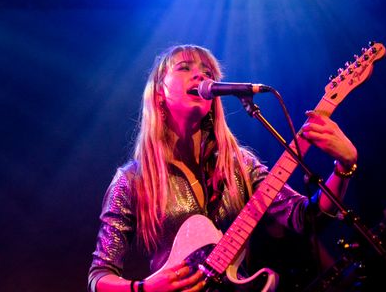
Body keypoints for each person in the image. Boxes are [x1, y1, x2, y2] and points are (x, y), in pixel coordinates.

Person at [88, 44, 358, 292]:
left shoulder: (240, 165)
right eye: (185, 68)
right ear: (160, 91)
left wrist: (344, 166)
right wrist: (144, 288)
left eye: (207, 72)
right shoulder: (134, 179)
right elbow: (99, 277)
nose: (200, 76)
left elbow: (307, 219)